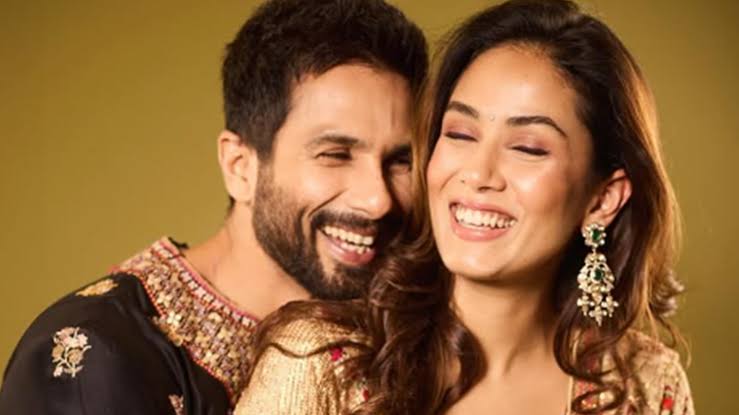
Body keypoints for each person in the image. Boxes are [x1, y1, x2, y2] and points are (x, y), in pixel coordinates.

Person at [233, 1, 694, 414]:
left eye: (528, 148)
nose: (477, 173)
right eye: (459, 134)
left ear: (603, 199)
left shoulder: (647, 384)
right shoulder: (321, 361)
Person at [0, 0, 427, 413]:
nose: (378, 199)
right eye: (335, 155)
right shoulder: (97, 353)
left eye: (400, 161)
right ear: (240, 167)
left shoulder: (407, 334)